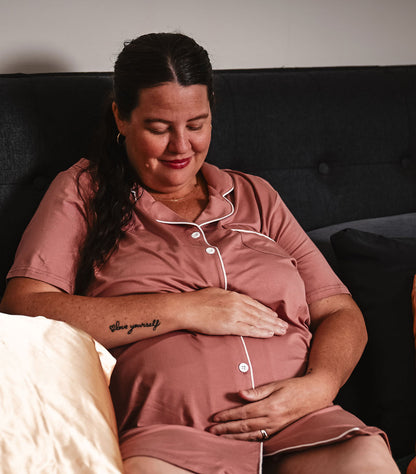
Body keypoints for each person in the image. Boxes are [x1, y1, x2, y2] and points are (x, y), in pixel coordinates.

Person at [0, 33, 399, 474]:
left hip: (299, 423)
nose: (181, 147)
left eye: (196, 124)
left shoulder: (255, 196)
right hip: (172, 438)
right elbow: (25, 308)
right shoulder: (82, 192)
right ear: (121, 117)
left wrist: (321, 386)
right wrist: (185, 310)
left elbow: (340, 311)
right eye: (159, 128)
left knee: (368, 460)